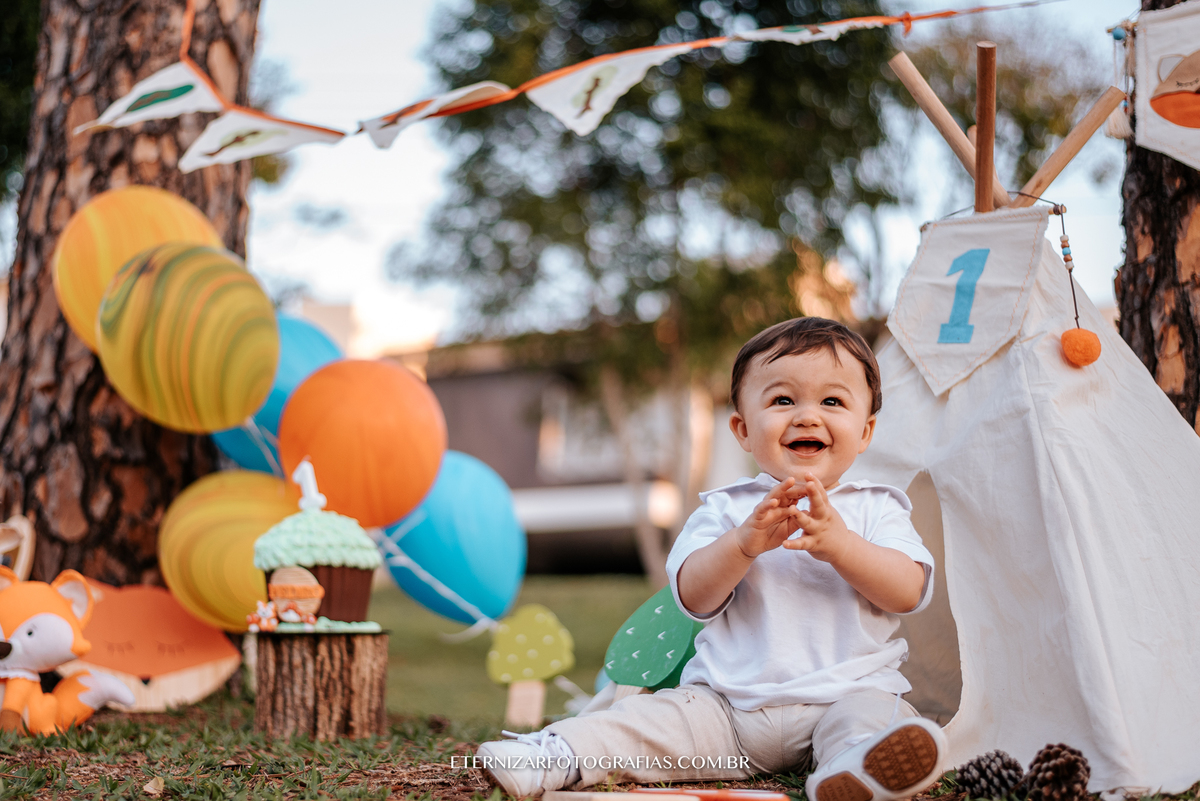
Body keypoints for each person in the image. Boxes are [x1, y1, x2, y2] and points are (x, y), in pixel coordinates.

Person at [476, 317, 946, 800]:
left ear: (865, 431)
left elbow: (908, 591)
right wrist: (742, 546)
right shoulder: (725, 508)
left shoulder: (878, 506)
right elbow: (692, 597)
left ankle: (852, 771)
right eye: (783, 400)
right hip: (726, 712)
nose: (807, 416)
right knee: (646, 724)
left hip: (845, 696)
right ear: (743, 429)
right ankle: (556, 754)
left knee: (874, 719)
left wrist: (843, 546)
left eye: (832, 401)